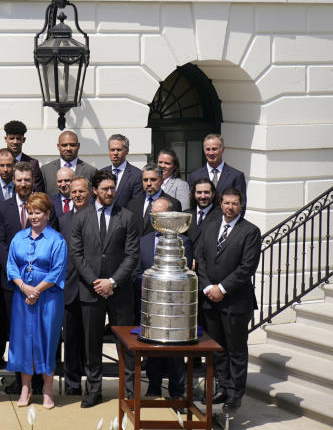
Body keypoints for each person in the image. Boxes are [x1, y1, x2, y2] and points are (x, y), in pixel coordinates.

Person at [69, 170, 140, 408]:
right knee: (92, 344)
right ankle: (94, 389)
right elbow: (77, 255)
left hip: (120, 292)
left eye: (112, 188)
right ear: (95, 191)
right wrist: (96, 282)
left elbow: (132, 255)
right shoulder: (80, 218)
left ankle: (129, 390)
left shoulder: (128, 217)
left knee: (126, 344)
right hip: (90, 291)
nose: (110, 192)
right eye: (105, 189)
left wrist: (112, 281)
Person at [195, 187, 260, 414]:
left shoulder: (250, 232)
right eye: (226, 203)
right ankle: (222, 386)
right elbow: (200, 258)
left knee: (236, 349)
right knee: (217, 349)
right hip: (210, 300)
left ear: (241, 205)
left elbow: (247, 267)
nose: (230, 207)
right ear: (220, 204)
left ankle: (235, 394)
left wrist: (222, 288)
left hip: (235, 302)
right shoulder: (209, 227)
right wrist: (207, 287)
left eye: (234, 203)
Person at [7, 192, 67, 409]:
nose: (34, 216)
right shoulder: (18, 237)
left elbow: (58, 270)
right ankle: (25, 388)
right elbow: (11, 266)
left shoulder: (56, 239)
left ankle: (48, 390)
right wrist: (24, 287)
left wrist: (37, 291)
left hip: (49, 298)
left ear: (47, 214)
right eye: (30, 212)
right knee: (23, 341)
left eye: (38, 212)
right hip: (22, 297)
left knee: (47, 340)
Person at [134, 196, 193, 399]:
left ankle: (177, 390)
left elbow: (183, 273)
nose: (155, 218)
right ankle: (153, 387)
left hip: (175, 308)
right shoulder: (144, 241)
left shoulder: (184, 241)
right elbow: (136, 271)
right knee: (153, 349)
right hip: (151, 307)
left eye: (159, 214)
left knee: (176, 352)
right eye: (153, 214)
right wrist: (149, 286)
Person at [0, 160, 35, 371]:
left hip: (36, 281)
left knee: (30, 328)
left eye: (27, 180)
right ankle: (5, 362)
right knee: (7, 325)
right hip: (9, 279)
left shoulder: (42, 206)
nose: (23, 184)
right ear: (13, 181)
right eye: (19, 180)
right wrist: (14, 273)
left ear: (33, 181)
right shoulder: (2, 209)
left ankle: (30, 368)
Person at [51, 176, 93, 396]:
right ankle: (72, 384)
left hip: (92, 288)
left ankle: (93, 385)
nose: (77, 195)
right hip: (69, 288)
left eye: (81, 191)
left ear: (90, 192)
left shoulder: (98, 217)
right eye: (74, 192)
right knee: (71, 340)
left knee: (91, 342)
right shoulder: (63, 219)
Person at [187, 134, 248, 210]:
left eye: (214, 149)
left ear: (223, 150)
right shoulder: (194, 176)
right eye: (208, 149)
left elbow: (241, 205)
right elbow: (191, 204)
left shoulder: (236, 176)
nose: (211, 153)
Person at [0, 120, 44, 192]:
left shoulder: (33, 164)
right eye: (12, 138)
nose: (15, 142)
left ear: (24, 140)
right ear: (6, 139)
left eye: (18, 138)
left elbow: (38, 193)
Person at [126, 163, 183, 235]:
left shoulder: (173, 204)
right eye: (145, 180)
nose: (149, 183)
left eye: (153, 180)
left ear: (161, 181)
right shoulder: (132, 204)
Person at [40, 130, 98, 196]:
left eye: (72, 145)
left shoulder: (91, 171)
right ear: (58, 146)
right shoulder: (45, 170)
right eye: (64, 145)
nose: (68, 148)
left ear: (78, 146)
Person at [100, 134, 142, 209]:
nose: (115, 153)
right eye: (112, 150)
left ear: (127, 151)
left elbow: (137, 204)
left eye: (119, 150)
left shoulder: (137, 175)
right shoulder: (100, 173)